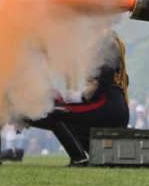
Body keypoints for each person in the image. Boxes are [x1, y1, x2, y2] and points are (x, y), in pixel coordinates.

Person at [29, 32, 131, 165]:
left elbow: (103, 81)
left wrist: (80, 97)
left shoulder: (107, 42)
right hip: (113, 107)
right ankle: (92, 156)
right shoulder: (109, 40)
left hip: (107, 107)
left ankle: (79, 158)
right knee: (66, 116)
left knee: (57, 113)